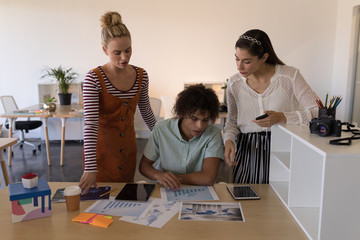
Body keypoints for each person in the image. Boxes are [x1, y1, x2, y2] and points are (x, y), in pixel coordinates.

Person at [223, 29, 319, 184]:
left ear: (264, 57)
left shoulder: (289, 76)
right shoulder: (234, 83)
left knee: (281, 201)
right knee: (248, 201)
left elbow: (319, 112)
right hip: (249, 152)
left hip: (285, 149)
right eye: (236, 59)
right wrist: (228, 140)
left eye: (246, 61)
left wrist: (282, 117)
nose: (239, 66)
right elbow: (232, 122)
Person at [79, 11, 156, 194]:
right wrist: (90, 168)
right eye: (117, 52)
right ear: (105, 50)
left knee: (125, 200)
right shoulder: (93, 78)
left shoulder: (141, 75)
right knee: (100, 204)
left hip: (128, 150)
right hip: (101, 154)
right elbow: (90, 124)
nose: (124, 57)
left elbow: (146, 111)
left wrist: (166, 137)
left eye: (128, 50)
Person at [139, 84, 224, 190]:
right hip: (163, 188)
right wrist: (158, 175)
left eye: (205, 120)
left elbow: (208, 178)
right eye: (194, 119)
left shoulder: (213, 134)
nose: (200, 126)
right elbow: (144, 166)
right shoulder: (161, 129)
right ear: (182, 113)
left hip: (197, 190)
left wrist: (172, 179)